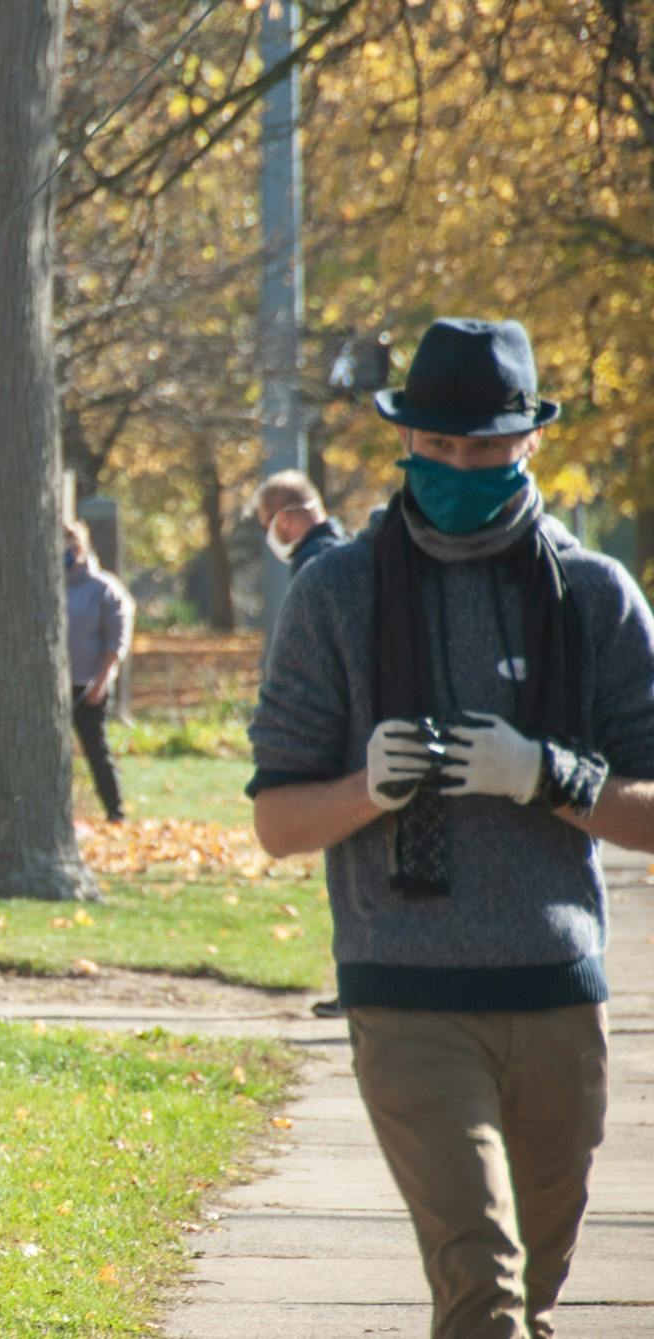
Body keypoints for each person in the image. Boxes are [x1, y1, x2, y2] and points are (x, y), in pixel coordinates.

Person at [248, 316, 654, 1339]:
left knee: (534, 1278)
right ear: (403, 441)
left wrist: (545, 775)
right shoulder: (334, 595)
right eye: (435, 448)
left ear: (526, 442)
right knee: (482, 1286)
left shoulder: (594, 597)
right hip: (405, 988)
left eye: (480, 447)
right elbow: (274, 822)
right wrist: (366, 787)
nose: (456, 467)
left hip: (555, 986)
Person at [253, 469, 353, 1019]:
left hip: (336, 743)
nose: (271, 536)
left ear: (289, 518)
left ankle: (356, 978)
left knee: (347, 864)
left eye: (270, 524)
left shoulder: (319, 566)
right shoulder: (337, 558)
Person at [64, 519, 134, 823]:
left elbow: (116, 640)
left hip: (89, 685)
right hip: (53, 685)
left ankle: (115, 812)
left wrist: (101, 681)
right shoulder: (47, 586)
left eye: (70, 546)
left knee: (96, 750)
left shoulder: (104, 589)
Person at [252, 469, 349, 577]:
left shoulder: (310, 562)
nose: (268, 535)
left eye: (266, 527)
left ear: (283, 519)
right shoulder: (348, 547)